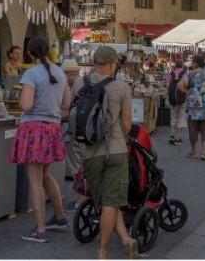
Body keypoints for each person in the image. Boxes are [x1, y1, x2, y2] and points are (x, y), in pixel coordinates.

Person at [9, 36, 71, 243]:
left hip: (33, 128)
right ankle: (60, 217)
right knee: (45, 175)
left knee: (35, 180)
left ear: (30, 53)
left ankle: (41, 229)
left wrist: (20, 99)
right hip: (52, 127)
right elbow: (66, 103)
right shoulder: (60, 72)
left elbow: (26, 105)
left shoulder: (31, 73)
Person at [83, 46, 139, 259]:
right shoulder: (122, 86)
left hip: (90, 152)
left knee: (106, 202)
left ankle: (125, 239)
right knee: (111, 202)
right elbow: (127, 123)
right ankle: (103, 251)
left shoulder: (81, 84)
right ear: (111, 65)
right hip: (115, 150)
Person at [177, 54, 205, 160]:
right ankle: (204, 152)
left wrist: (187, 91)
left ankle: (193, 151)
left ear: (196, 63)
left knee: (192, 127)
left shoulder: (189, 74)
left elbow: (179, 86)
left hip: (193, 102)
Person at [60, 58, 83, 182]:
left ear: (68, 73)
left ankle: (81, 195)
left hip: (74, 129)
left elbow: (74, 110)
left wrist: (61, 116)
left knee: (76, 165)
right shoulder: (80, 82)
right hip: (79, 129)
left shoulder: (77, 85)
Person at [168, 60, 188, 146]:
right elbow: (186, 85)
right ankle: (179, 137)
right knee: (181, 117)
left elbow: (167, 86)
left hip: (173, 99)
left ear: (175, 66)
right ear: (182, 66)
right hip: (182, 99)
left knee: (173, 117)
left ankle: (172, 135)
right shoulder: (185, 74)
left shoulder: (170, 74)